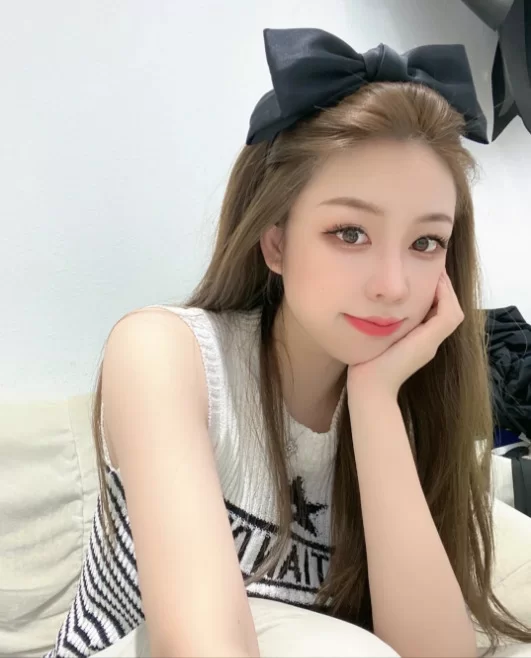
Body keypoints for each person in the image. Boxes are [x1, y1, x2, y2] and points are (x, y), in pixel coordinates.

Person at [45, 27, 531, 658]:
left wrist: (375, 401)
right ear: (275, 242)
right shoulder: (166, 354)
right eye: (350, 233)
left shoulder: (407, 406)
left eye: (425, 242)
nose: (392, 286)